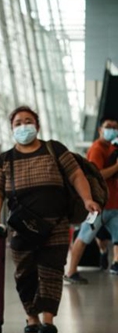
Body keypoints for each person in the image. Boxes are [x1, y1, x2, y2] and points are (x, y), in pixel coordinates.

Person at [0, 106, 100, 333]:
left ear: (37, 126)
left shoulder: (54, 149)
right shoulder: (5, 160)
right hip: (21, 227)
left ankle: (48, 319)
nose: (23, 126)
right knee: (24, 273)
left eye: (28, 121)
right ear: (11, 128)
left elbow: (76, 175)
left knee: (52, 270)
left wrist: (87, 199)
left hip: (55, 224)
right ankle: (31, 317)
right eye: (18, 123)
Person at [65, 117, 118, 283]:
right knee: (84, 236)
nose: (112, 130)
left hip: (114, 205)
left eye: (115, 127)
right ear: (100, 130)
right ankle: (71, 272)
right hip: (98, 206)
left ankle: (114, 263)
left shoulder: (112, 148)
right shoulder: (96, 149)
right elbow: (98, 174)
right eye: (108, 127)